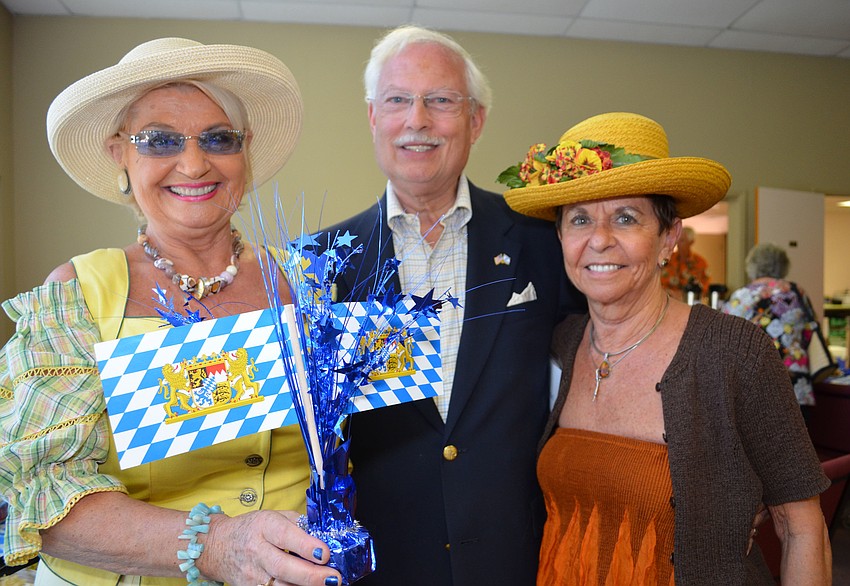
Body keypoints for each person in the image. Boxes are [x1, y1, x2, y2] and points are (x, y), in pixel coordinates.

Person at [0, 37, 342, 586]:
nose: (194, 163)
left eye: (218, 138)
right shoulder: (76, 294)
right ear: (120, 154)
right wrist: (218, 545)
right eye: (159, 140)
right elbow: (42, 497)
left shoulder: (306, 281)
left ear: (245, 152)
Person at [501, 112, 831, 584]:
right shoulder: (561, 343)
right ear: (561, 238)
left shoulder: (734, 353)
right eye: (580, 219)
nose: (599, 240)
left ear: (668, 237)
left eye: (626, 217)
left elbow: (801, 528)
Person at [322, 25, 585, 586]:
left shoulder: (541, 239)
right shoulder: (321, 263)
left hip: (517, 557)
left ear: (476, 120)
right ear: (373, 117)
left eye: (440, 100)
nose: (417, 120)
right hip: (383, 564)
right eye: (398, 100)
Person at [723, 242, 822, 410]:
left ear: (752, 266)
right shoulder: (797, 292)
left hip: (754, 388)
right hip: (795, 386)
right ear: (783, 266)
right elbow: (809, 332)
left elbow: (726, 340)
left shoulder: (741, 296)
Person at [660, 225, 710, 301]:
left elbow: (705, 288)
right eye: (677, 240)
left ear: (691, 242)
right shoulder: (667, 259)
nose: (678, 244)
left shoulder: (700, 263)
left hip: (690, 302)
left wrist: (684, 295)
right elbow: (656, 282)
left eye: (682, 241)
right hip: (667, 301)